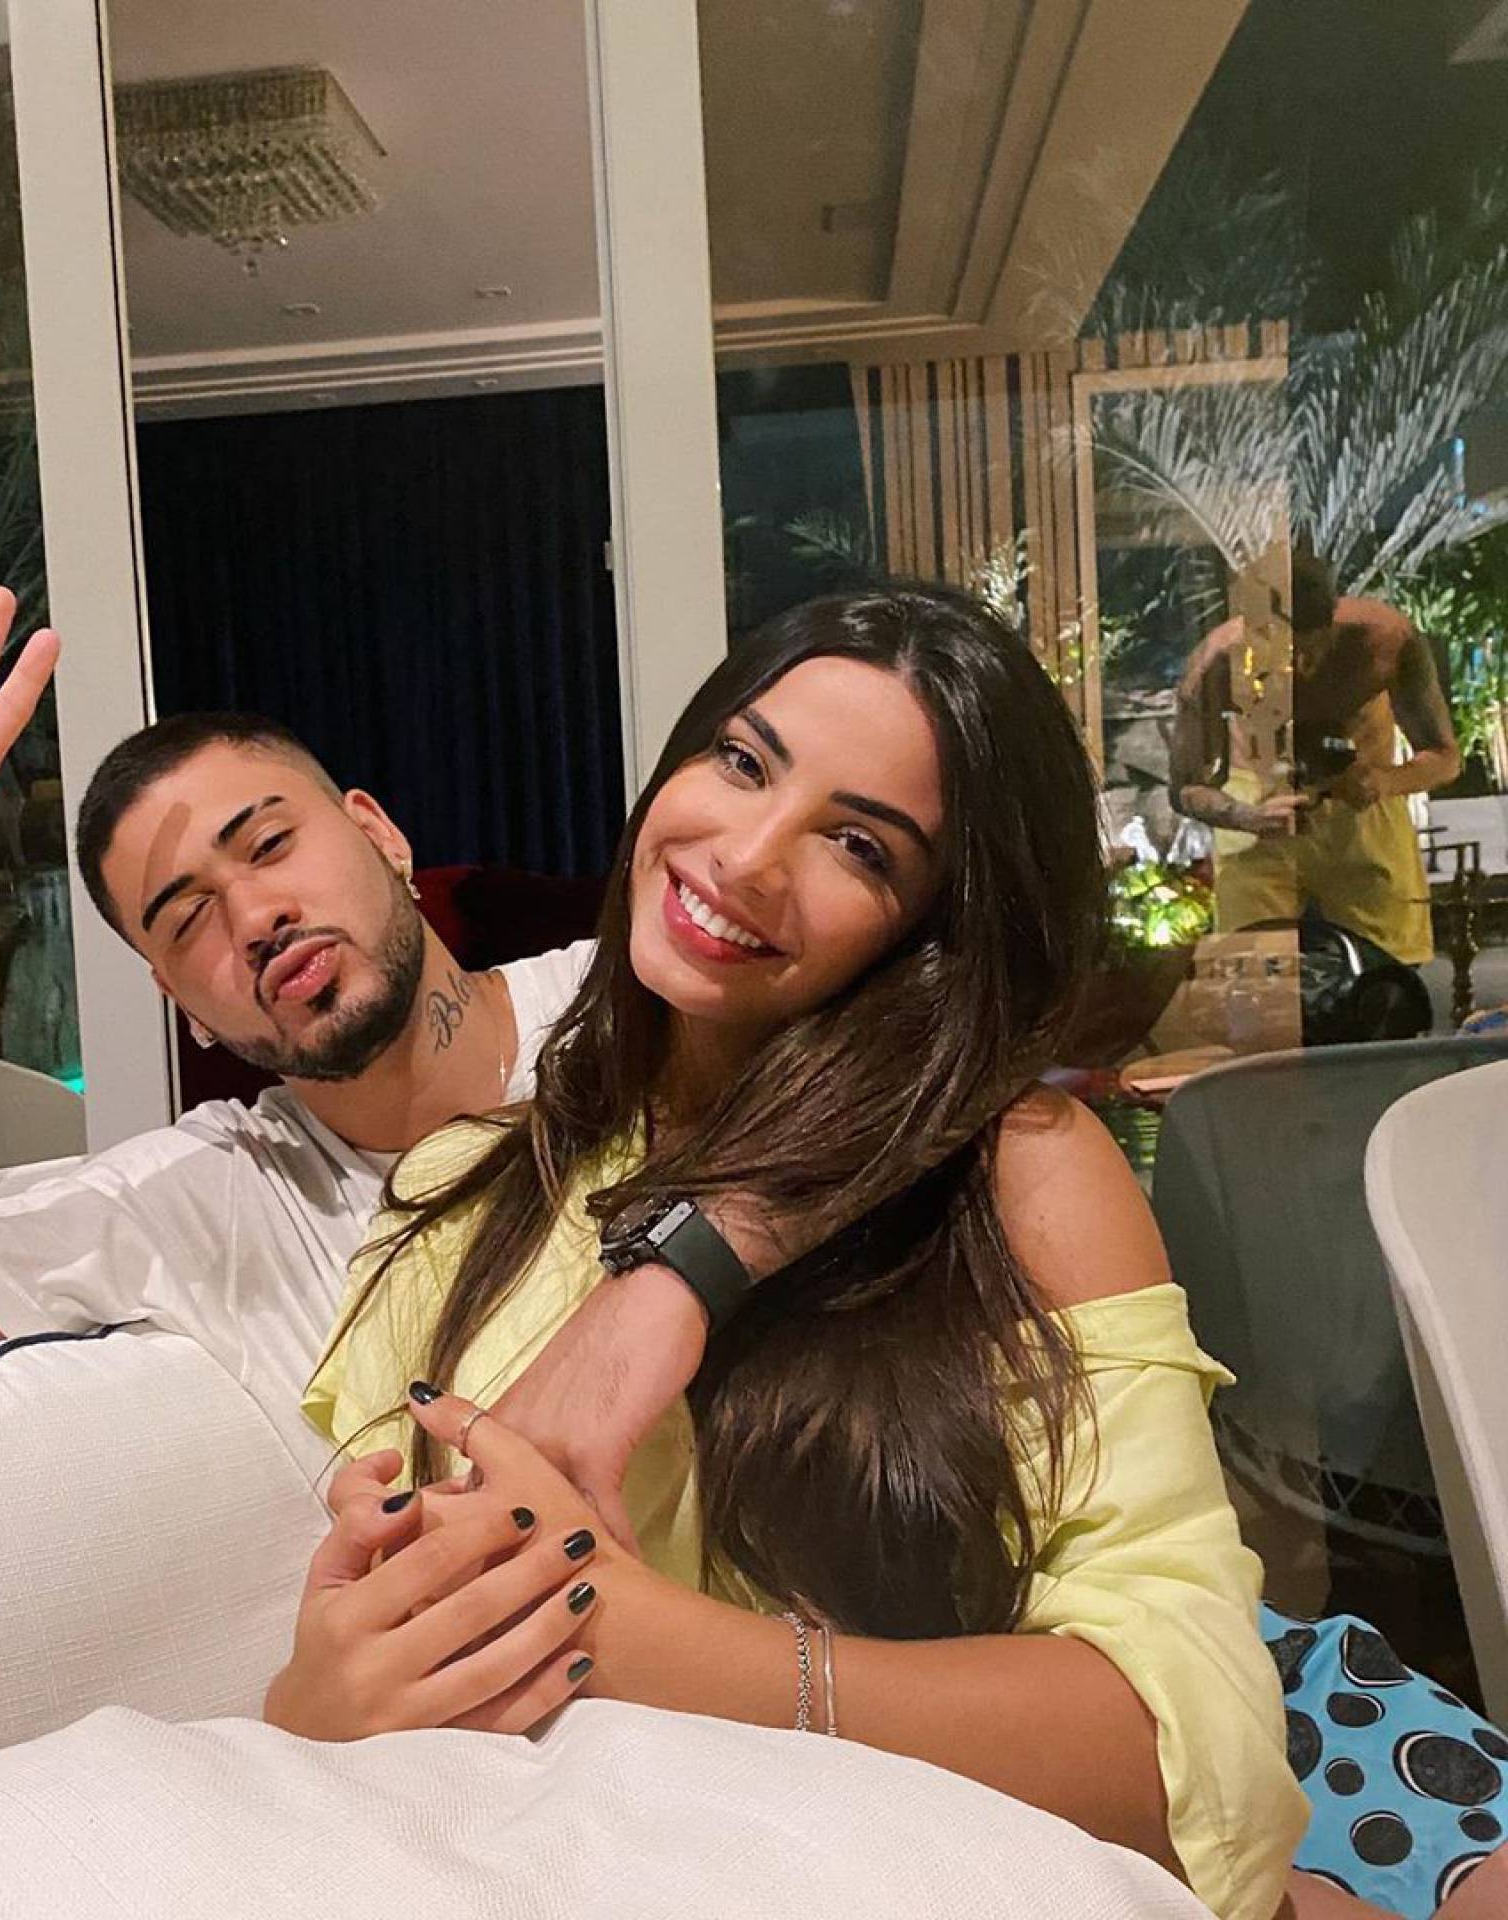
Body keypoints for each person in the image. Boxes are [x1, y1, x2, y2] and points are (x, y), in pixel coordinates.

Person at [295, 589, 1505, 1920]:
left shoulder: (1014, 1174)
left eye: (860, 845)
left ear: (932, 927)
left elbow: (1191, 1758)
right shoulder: (460, 1197)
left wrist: (647, 1645)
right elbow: (363, 1657)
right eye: (742, 761)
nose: (748, 856)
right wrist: (315, 1702)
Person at [0, 589, 678, 1517]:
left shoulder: (643, 1006)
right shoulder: (210, 1202)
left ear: (380, 835)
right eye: (187, 917)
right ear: (181, 1005)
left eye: (270, 844)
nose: (254, 917)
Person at [1171, 552, 1460, 967]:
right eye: (1278, 658)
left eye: (1308, 652)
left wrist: (1384, 781)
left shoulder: (1384, 641)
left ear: (1331, 626)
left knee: (1385, 974)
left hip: (1361, 805)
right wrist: (1243, 816)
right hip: (1259, 811)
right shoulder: (1214, 665)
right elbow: (1183, 788)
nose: (1298, 669)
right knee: (1252, 978)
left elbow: (1446, 757)